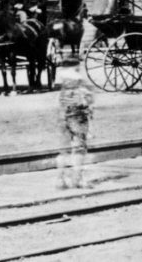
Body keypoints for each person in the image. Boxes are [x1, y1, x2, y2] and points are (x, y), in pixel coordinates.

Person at [55, 55, 94, 189]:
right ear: (76, 66)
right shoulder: (80, 82)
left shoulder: (63, 85)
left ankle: (60, 180)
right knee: (79, 148)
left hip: (62, 115)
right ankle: (78, 180)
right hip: (78, 116)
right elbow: (87, 100)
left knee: (63, 150)